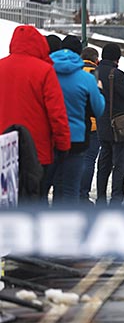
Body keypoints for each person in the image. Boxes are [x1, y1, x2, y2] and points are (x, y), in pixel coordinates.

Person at [0, 25, 71, 201]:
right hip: (38, 151)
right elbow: (57, 113)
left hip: (3, 150)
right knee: (35, 200)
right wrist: (63, 145)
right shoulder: (44, 70)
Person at [48, 35, 105, 204]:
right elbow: (98, 109)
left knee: (52, 183)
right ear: (79, 53)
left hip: (50, 136)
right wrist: (99, 90)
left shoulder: (45, 73)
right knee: (71, 187)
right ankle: (70, 223)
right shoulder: (87, 78)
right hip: (77, 138)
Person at [96, 43, 124, 206]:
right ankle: (116, 199)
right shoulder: (116, 74)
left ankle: (100, 197)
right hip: (118, 125)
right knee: (120, 164)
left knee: (104, 163)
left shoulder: (96, 73)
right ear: (117, 58)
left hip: (102, 123)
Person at [79, 47, 102, 205]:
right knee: (89, 160)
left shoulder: (76, 72)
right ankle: (83, 193)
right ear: (96, 60)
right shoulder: (96, 74)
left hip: (75, 122)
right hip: (93, 124)